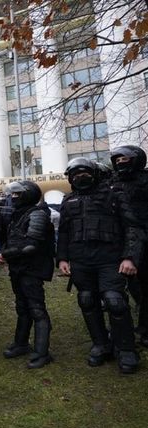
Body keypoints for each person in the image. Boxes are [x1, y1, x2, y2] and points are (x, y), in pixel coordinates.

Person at [57, 157, 142, 374]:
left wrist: (130, 257)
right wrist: (63, 259)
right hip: (80, 261)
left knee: (115, 302)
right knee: (86, 300)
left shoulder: (114, 194)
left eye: (84, 173)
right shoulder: (68, 201)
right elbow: (64, 233)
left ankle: (126, 350)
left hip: (110, 259)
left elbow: (132, 227)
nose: (79, 177)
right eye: (75, 174)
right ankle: (101, 344)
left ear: (93, 174)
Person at [0, 180, 55, 369]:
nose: (13, 198)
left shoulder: (37, 214)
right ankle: (21, 344)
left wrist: (5, 254)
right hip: (18, 268)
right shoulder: (17, 215)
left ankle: (41, 352)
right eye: (12, 195)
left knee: (36, 309)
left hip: (32, 268)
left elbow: (31, 246)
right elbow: (12, 239)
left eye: (17, 195)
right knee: (22, 307)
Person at [107, 145, 148, 347]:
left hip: (144, 239)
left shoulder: (145, 181)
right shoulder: (111, 183)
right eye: (118, 160)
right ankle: (122, 329)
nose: (121, 162)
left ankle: (145, 329)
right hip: (118, 241)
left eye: (125, 159)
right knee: (124, 287)